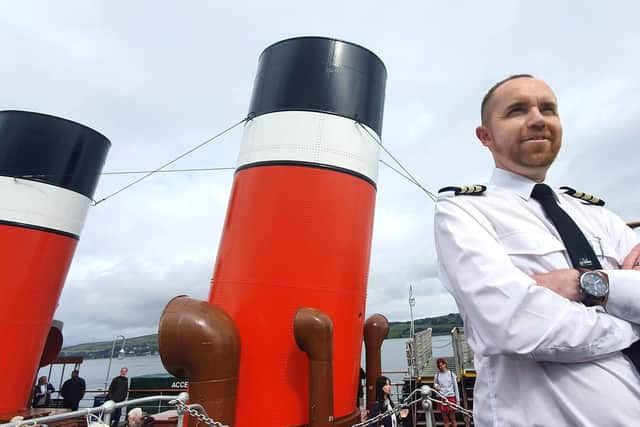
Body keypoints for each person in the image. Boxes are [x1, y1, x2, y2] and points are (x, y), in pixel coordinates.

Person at [434, 74, 640, 426]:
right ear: (485, 136)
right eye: (517, 110)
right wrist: (630, 327)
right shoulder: (463, 212)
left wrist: (584, 282)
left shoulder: (599, 216)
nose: (538, 118)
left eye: (548, 109)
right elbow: (517, 324)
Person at [433, 358, 460, 427]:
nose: (441, 367)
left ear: (445, 364)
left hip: (451, 397)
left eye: (442, 365)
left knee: (453, 418)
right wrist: (436, 386)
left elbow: (456, 388)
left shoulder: (451, 374)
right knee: (445, 420)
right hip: (442, 398)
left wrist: (458, 401)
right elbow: (435, 384)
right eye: (439, 366)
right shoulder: (437, 375)